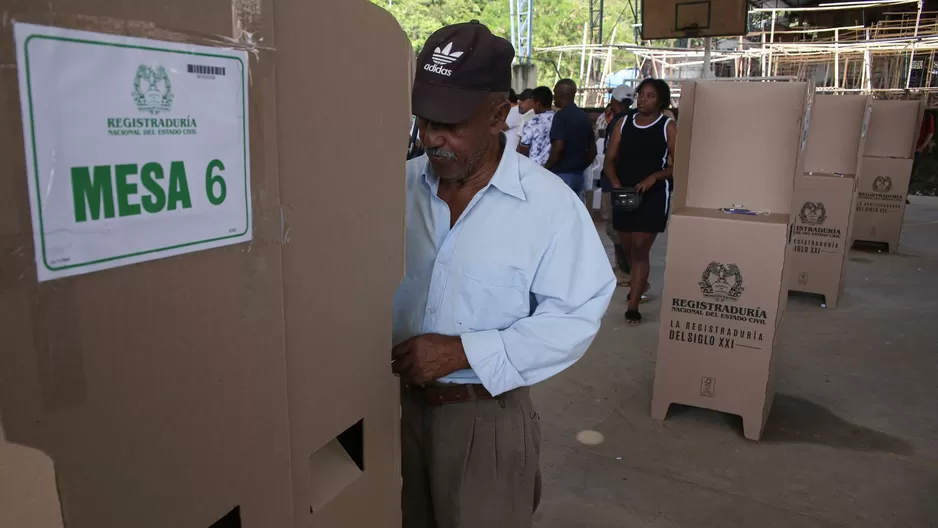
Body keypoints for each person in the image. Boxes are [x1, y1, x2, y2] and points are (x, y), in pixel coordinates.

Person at [396, 20, 615, 528]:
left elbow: (574, 317)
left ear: (498, 115)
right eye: (423, 121)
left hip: (482, 418)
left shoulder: (549, 207)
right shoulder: (393, 188)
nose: (431, 138)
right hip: (388, 408)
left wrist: (464, 351)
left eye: (449, 124)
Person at [603, 78, 676, 325]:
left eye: (650, 96)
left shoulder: (668, 126)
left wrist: (655, 177)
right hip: (625, 192)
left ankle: (633, 305)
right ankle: (640, 281)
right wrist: (615, 184)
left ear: (661, 101)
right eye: (641, 94)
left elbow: (677, 165)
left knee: (640, 248)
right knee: (627, 246)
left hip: (653, 194)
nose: (643, 99)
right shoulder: (623, 123)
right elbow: (609, 160)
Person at [600, 84, 635, 286]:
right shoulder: (626, 120)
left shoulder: (620, 123)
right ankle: (622, 267)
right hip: (619, 181)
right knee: (618, 225)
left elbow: (613, 156)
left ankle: (626, 270)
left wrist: (614, 182)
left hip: (614, 182)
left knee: (615, 226)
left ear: (615, 101)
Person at [545, 79, 596, 194]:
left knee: (558, 210)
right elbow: (593, 151)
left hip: (561, 175)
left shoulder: (560, 116)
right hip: (578, 175)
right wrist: (581, 167)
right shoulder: (584, 116)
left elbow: (558, 148)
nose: (553, 97)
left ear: (562, 95)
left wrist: (546, 168)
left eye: (555, 93)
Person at [517, 86, 555, 166]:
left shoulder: (532, 122)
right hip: (553, 167)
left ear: (538, 104)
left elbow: (523, 149)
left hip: (534, 167)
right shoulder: (558, 118)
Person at [910, 109, 934, 203]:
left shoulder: (927, 116)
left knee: (911, 172)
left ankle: (904, 195)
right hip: (906, 147)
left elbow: (930, 133)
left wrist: (922, 147)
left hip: (916, 149)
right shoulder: (910, 112)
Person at [504, 89, 533, 153]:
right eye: (519, 100)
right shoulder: (524, 114)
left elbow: (503, 126)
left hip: (514, 152)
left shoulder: (516, 111)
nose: (519, 102)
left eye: (522, 100)